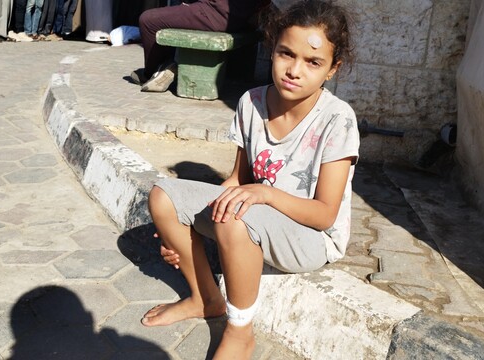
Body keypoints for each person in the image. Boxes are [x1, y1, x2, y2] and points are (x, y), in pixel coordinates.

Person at [142, 0, 357, 357]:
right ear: (271, 49)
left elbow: (324, 215)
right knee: (163, 196)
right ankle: (205, 298)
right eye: (286, 53)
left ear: (332, 69)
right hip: (255, 220)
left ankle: (240, 331)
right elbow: (236, 180)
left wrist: (264, 194)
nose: (294, 70)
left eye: (313, 62)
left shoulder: (338, 120)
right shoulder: (251, 102)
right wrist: (181, 229)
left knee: (237, 217)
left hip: (310, 238)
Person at [134, 0, 270, 92]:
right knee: (175, 13)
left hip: (217, 13)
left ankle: (151, 72)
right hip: (247, 17)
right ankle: (166, 67)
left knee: (148, 20)